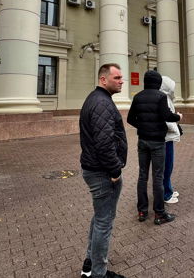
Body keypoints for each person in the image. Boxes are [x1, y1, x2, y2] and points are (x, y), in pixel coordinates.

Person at [79, 63, 128, 278]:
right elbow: (104, 143)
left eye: (121, 77)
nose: (121, 81)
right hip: (102, 172)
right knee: (104, 222)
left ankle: (90, 264)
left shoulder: (98, 99)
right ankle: (99, 273)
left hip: (96, 169)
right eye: (116, 77)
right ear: (103, 79)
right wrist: (115, 170)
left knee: (100, 218)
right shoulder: (101, 103)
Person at [127, 70, 182, 225]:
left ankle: (142, 211)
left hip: (142, 141)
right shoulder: (161, 96)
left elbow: (130, 119)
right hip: (158, 142)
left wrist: (142, 126)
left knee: (142, 176)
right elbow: (167, 116)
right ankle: (159, 214)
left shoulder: (138, 97)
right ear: (158, 82)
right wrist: (178, 117)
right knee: (158, 177)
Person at [160, 75, 181, 204]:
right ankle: (166, 194)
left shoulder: (166, 98)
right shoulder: (164, 99)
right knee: (167, 166)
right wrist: (177, 120)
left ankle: (168, 189)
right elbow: (167, 119)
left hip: (167, 137)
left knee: (168, 166)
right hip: (166, 137)